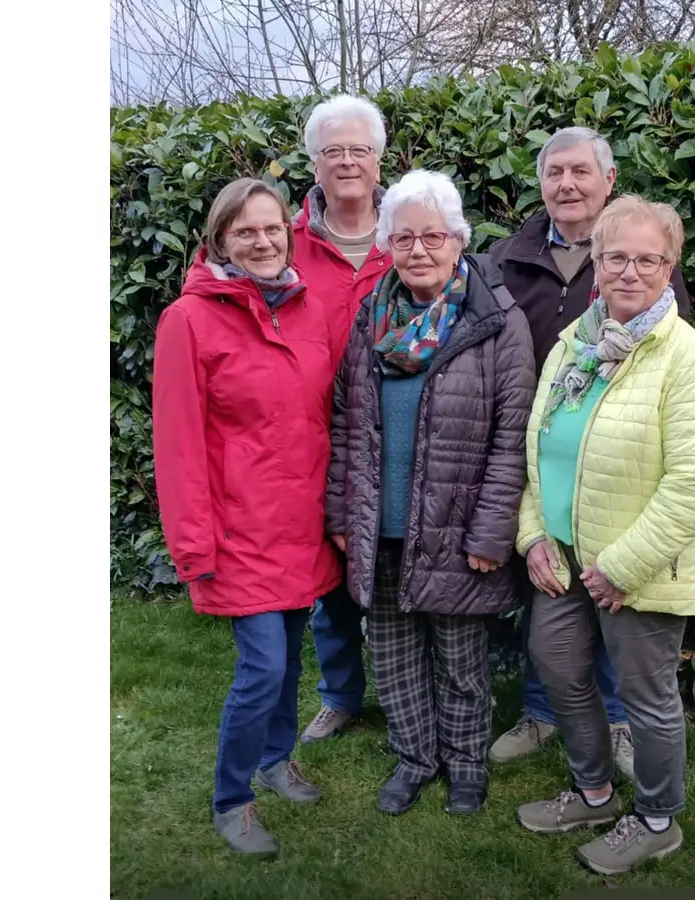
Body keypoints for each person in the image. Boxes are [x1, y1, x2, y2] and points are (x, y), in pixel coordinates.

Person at [512, 195, 695, 876]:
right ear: (595, 262)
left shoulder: (687, 359)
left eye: (648, 259)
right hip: (566, 555)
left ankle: (657, 818)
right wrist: (533, 538)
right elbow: (537, 447)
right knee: (557, 665)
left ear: (669, 268)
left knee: (646, 699)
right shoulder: (573, 346)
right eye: (616, 257)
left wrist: (623, 566)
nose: (630, 271)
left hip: (639, 569)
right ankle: (593, 790)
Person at [325, 169, 536, 817]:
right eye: (404, 237)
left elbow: (513, 435)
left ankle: (465, 762)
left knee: (460, 659)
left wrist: (491, 531)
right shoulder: (370, 318)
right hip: (379, 527)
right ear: (387, 244)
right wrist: (341, 514)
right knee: (392, 653)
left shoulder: (495, 321)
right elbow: (343, 422)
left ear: (458, 240)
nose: (418, 250)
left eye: (432, 236)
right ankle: (416, 757)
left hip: (457, 526)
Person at [484, 127, 693, 776]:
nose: (567, 184)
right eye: (554, 173)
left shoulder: (640, 253)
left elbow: (670, 344)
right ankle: (543, 714)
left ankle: (621, 722)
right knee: (548, 589)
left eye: (581, 171)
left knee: (612, 591)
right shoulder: (507, 257)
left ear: (608, 179)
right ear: (541, 182)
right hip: (540, 445)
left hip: (618, 456)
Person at [152, 178, 342, 856]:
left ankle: (275, 757)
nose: (261, 242)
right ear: (219, 240)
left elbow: (321, 420)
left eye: (272, 229)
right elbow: (176, 444)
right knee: (261, 668)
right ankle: (233, 796)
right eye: (245, 232)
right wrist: (195, 547)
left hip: (300, 527)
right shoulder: (189, 321)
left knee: (290, 660)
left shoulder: (306, 308)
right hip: (238, 533)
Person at [290, 94, 396, 744]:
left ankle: (410, 693)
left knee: (399, 571)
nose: (348, 161)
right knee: (327, 576)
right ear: (315, 162)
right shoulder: (285, 242)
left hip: (399, 433)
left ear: (380, 159)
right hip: (313, 437)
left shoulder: (411, 232)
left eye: (360, 149)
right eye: (334, 151)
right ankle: (340, 695)